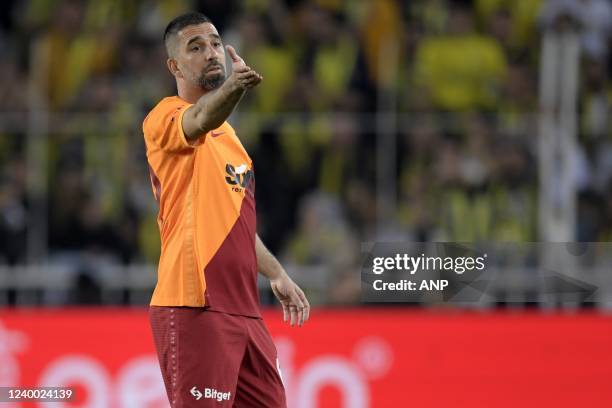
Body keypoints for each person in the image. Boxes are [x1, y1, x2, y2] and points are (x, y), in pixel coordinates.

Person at [143, 12, 310, 407]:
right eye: (195, 48)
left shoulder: (231, 140)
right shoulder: (163, 118)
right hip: (194, 304)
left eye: (215, 43)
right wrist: (235, 86)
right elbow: (200, 116)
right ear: (174, 65)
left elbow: (235, 224)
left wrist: (277, 272)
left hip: (245, 311)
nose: (210, 53)